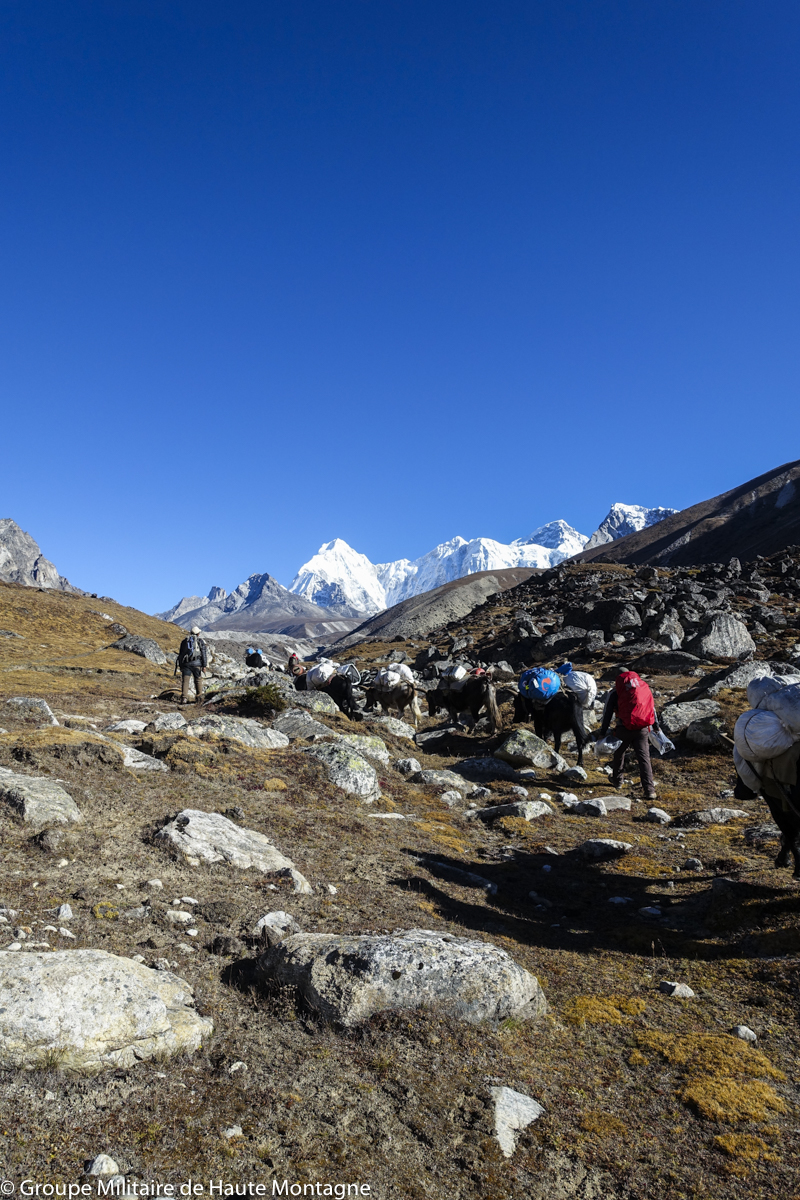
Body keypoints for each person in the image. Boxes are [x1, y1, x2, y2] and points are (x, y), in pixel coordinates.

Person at [597, 667, 661, 801]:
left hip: (623, 728)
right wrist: (656, 727)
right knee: (644, 758)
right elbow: (651, 708)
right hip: (642, 729)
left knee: (619, 753)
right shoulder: (643, 689)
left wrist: (602, 733)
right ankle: (649, 790)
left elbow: (607, 714)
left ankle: (618, 781)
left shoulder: (616, 692)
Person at [178, 625, 208, 705]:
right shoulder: (200, 642)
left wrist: (181, 665)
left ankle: (184, 698)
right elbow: (204, 654)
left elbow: (181, 655)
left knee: (186, 681)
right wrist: (204, 666)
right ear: (198, 633)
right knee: (198, 680)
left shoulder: (185, 641)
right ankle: (199, 698)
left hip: (186, 664)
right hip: (197, 664)